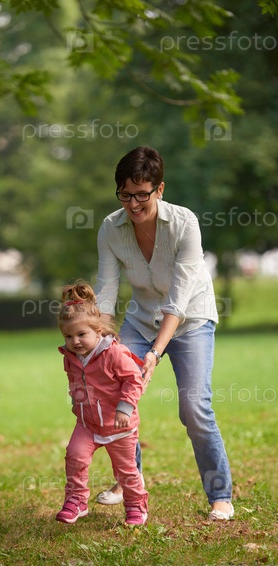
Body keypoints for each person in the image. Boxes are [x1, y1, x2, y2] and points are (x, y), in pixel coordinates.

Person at [94, 146, 234, 521]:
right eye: (125, 195)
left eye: (142, 194)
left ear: (159, 189)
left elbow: (179, 299)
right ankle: (129, 479)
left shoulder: (184, 223)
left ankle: (220, 496)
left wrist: (155, 353)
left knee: (194, 408)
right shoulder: (110, 228)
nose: (133, 204)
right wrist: (102, 344)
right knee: (115, 395)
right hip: (141, 320)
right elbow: (106, 291)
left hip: (190, 319)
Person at [55, 281, 149, 526]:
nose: (75, 341)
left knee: (126, 470)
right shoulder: (71, 357)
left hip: (119, 424)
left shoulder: (114, 353)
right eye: (68, 336)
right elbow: (75, 382)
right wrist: (77, 403)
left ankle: (136, 506)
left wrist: (125, 408)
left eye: (81, 334)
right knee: (75, 456)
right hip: (87, 424)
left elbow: (133, 379)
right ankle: (76, 501)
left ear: (98, 331)